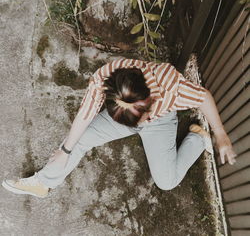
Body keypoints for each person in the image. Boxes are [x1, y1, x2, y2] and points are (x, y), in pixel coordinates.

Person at [2, 58, 236, 198]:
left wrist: (221, 134)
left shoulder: (171, 87)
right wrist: (64, 151)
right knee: (78, 140)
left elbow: (203, 97)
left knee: (167, 182)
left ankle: (196, 137)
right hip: (128, 117)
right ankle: (44, 183)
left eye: (140, 117)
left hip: (160, 122)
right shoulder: (107, 78)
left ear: (148, 102)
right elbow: (86, 113)